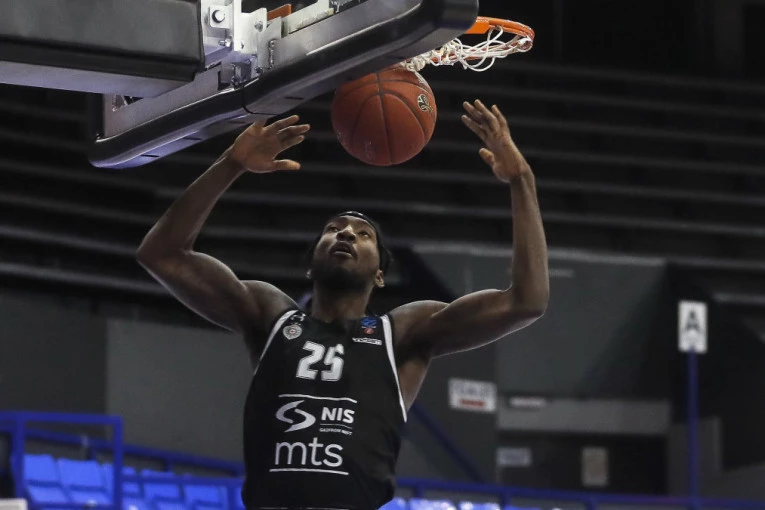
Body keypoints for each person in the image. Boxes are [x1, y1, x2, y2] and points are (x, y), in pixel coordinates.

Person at [137, 99, 549, 510]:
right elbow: (162, 255)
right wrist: (231, 163)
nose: (346, 234)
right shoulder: (269, 315)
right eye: (333, 229)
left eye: (363, 234)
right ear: (310, 266)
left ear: (380, 274)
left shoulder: (403, 333)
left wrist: (521, 179)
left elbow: (526, 301)